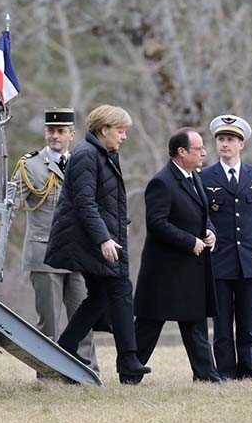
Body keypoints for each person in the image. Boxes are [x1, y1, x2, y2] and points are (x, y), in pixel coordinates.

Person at [44, 105, 151, 383]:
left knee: (101, 295)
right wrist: (104, 238)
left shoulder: (102, 153)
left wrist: (121, 225)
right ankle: (128, 359)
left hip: (95, 237)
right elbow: (85, 203)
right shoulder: (87, 155)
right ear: (104, 130)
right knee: (119, 289)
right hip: (87, 240)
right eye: (120, 131)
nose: (123, 137)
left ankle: (67, 347)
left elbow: (107, 200)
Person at [131, 127, 221, 383]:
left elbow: (201, 215)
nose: (204, 153)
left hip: (190, 268)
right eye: (199, 149)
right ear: (182, 152)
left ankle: (206, 375)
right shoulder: (162, 182)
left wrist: (209, 231)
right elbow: (156, 223)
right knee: (149, 324)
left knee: (195, 323)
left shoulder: (194, 177)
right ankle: (130, 374)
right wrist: (189, 241)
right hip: (164, 271)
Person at [14, 107, 98, 374]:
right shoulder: (30, 166)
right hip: (45, 254)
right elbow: (11, 205)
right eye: (50, 130)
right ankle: (48, 374)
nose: (55, 136)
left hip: (78, 254)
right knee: (48, 323)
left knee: (82, 318)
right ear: (44, 132)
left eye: (61, 131)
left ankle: (87, 371)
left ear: (72, 134)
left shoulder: (83, 162)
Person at [200, 115, 252, 380]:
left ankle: (246, 371)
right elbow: (201, 217)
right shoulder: (204, 176)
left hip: (250, 259)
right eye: (221, 139)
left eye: (231, 140)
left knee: (247, 322)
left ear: (241, 144)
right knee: (222, 323)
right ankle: (225, 371)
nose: (225, 144)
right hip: (219, 260)